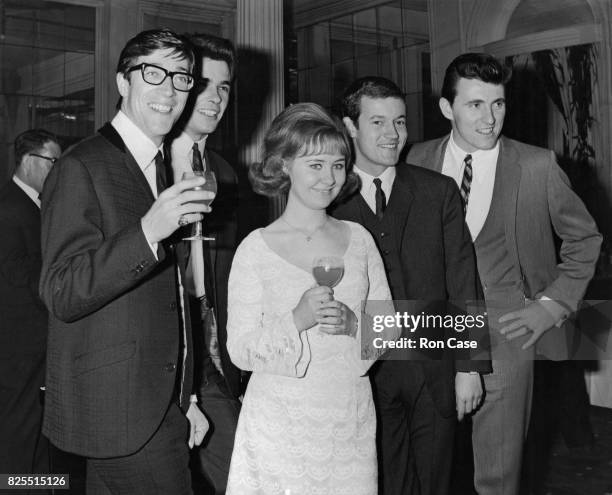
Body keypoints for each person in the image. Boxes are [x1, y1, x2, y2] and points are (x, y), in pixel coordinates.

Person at [406, 52, 602, 495]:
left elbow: (585, 240)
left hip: (507, 331)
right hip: (428, 324)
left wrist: (551, 307)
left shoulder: (537, 165)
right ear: (446, 108)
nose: (490, 118)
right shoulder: (414, 161)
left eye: (498, 103)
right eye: (475, 104)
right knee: (426, 462)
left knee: (497, 473)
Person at [39, 29, 212, 495]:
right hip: (120, 411)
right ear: (122, 82)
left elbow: (171, 300)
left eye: (182, 78)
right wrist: (148, 233)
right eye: (153, 73)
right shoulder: (81, 167)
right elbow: (60, 291)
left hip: (154, 406)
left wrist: (186, 396)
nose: (170, 90)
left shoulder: (157, 168)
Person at [225, 102, 397, 495]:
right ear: (284, 165)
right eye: (315, 165)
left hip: (346, 421)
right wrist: (296, 320)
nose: (329, 178)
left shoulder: (360, 241)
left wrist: (356, 324)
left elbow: (389, 330)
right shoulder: (256, 249)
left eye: (338, 165)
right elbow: (240, 350)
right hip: (278, 427)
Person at [332, 76, 491, 495]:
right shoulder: (327, 199)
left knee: (437, 483)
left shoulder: (437, 192)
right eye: (378, 122)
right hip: (364, 375)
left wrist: (469, 368)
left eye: (399, 123)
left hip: (433, 370)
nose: (392, 135)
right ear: (350, 127)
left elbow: (463, 280)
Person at [167, 33, 241, 495]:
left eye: (225, 87)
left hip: (213, 349)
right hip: (162, 351)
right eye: (203, 83)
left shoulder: (226, 174)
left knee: (239, 466)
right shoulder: (143, 166)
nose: (214, 97)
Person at [0, 129, 60, 478]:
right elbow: (19, 279)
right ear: (27, 161)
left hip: (32, 350)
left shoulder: (32, 206)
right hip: (18, 353)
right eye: (53, 161)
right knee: (17, 440)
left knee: (35, 440)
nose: (58, 169)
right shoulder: (8, 208)